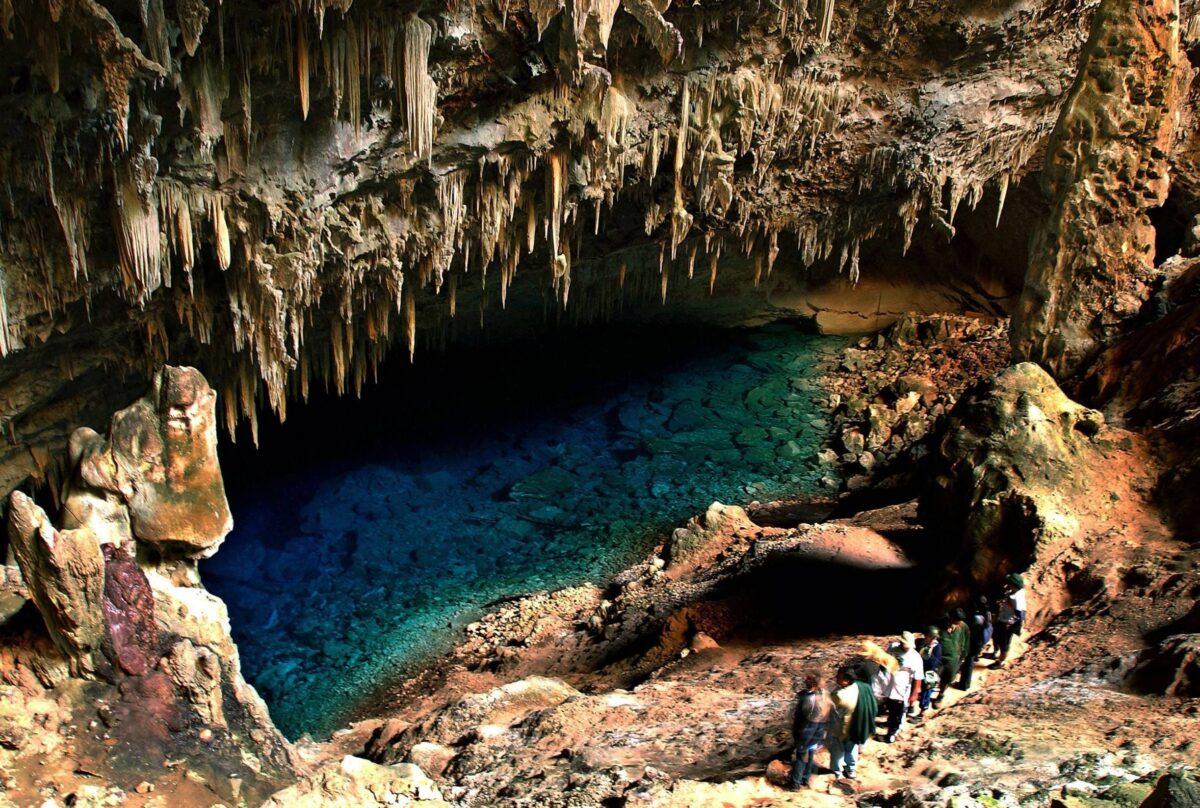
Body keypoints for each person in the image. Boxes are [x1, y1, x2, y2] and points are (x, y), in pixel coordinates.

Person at [828, 666, 878, 780]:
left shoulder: (839, 695)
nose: (836, 678)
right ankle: (851, 770)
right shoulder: (863, 687)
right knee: (852, 748)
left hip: (841, 727)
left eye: (838, 677)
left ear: (846, 680)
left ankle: (838, 772)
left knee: (837, 751)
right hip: (857, 725)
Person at [788, 672, 832, 790]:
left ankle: (795, 784)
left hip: (805, 731)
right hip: (818, 731)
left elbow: (797, 715)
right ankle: (806, 779)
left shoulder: (805, 697)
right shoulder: (824, 696)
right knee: (811, 755)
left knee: (801, 758)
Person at [883, 632, 923, 742]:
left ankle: (892, 734)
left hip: (902, 688)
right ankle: (890, 723)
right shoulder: (892, 648)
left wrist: (914, 694)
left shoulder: (915, 657)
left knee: (899, 711)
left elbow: (918, 677)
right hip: (889, 684)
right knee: (890, 707)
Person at [958, 596, 993, 690]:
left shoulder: (977, 617)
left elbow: (970, 631)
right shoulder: (987, 613)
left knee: (969, 661)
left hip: (976, 640)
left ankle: (964, 685)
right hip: (983, 639)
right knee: (971, 658)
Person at [934, 609, 968, 707]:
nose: (959, 623)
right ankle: (925, 698)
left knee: (947, 679)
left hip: (953, 658)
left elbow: (965, 642)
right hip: (939, 657)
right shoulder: (940, 623)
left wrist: (963, 656)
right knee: (932, 678)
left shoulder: (963, 627)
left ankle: (940, 695)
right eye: (957, 620)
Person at [993, 573, 1027, 667]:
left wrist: (1010, 624)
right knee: (996, 636)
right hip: (1002, 618)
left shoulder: (1017, 598)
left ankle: (1001, 662)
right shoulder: (1014, 591)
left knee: (1004, 643)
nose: (1007, 584)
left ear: (1013, 585)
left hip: (1007, 623)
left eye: (1009, 583)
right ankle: (995, 653)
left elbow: (1019, 615)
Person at [915, 626, 942, 716]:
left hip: (928, 672)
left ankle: (922, 711)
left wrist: (927, 653)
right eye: (931, 637)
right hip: (917, 669)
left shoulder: (937, 647)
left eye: (934, 638)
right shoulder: (919, 643)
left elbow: (934, 663)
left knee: (926, 690)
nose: (932, 639)